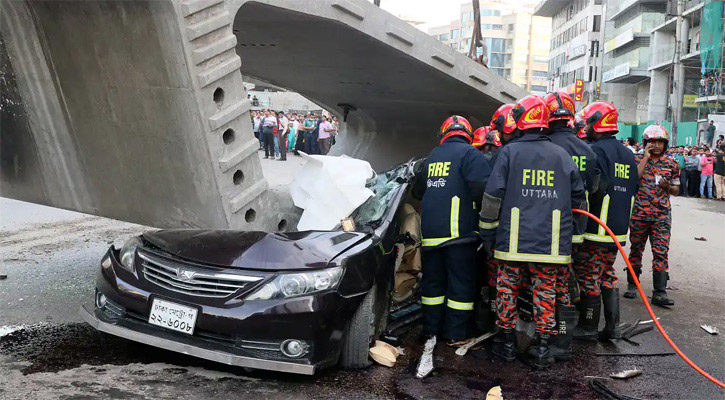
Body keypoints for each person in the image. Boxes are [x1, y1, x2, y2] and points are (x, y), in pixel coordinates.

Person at [479, 95, 585, 369]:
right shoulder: (562, 155)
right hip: (551, 246)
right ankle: (542, 349)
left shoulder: (509, 153)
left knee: (507, 290)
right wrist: (573, 239)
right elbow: (580, 200)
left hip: (512, 242)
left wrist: (487, 234)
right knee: (546, 293)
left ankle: (506, 344)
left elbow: (492, 198)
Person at [414, 115, 491, 379]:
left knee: (433, 285)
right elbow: (483, 187)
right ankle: (455, 334)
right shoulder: (470, 155)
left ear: (444, 133)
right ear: (467, 134)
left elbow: (418, 190)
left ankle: (430, 328)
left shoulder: (433, 156)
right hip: (459, 235)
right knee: (460, 285)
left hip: (432, 235)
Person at [569, 101, 638, 342]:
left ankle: (587, 326)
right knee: (606, 273)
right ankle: (613, 327)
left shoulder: (596, 151)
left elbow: (592, 187)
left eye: (587, 122)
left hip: (596, 226)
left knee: (589, 275)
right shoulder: (628, 154)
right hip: (616, 231)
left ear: (596, 123)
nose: (585, 127)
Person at [542, 91, 600, 357]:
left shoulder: (543, 147)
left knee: (549, 284)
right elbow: (595, 187)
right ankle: (569, 334)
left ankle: (555, 339)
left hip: (545, 227)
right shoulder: (586, 149)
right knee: (568, 278)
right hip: (576, 225)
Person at [626, 125, 680, 307]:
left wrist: (668, 187)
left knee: (661, 252)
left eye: (660, 142)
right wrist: (645, 159)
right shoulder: (636, 159)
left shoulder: (672, 163)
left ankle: (659, 292)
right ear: (646, 143)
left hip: (661, 216)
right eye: (652, 142)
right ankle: (633, 285)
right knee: (636, 250)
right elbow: (634, 179)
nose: (656, 145)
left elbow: (677, 189)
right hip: (639, 214)